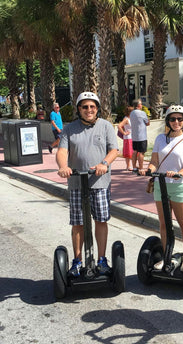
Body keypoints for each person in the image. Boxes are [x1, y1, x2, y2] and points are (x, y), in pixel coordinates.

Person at [56, 92, 119, 277]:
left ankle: (101, 260)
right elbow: (62, 151)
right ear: (79, 109)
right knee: (78, 223)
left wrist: (104, 164)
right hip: (76, 182)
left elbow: (114, 150)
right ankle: (77, 261)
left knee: (101, 220)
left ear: (97, 108)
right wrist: (63, 166)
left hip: (100, 182)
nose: (89, 110)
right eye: (85, 107)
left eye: (92, 107)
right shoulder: (69, 129)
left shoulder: (106, 126)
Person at [140, 104, 183, 272]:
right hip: (160, 185)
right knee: (164, 224)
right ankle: (166, 256)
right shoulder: (159, 139)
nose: (176, 122)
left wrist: (178, 173)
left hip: (179, 187)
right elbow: (155, 163)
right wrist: (148, 170)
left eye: (179, 119)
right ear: (168, 121)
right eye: (172, 119)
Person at [129, 99, 150, 170]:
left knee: (135, 151)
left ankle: (134, 167)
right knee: (141, 152)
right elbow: (147, 123)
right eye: (141, 104)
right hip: (142, 136)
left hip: (134, 136)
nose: (142, 105)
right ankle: (141, 167)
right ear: (138, 105)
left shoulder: (131, 113)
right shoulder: (142, 113)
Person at [117, 106, 134, 171]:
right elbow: (119, 126)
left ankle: (132, 165)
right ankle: (128, 165)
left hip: (132, 137)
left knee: (133, 152)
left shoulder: (131, 118)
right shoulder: (126, 119)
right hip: (128, 137)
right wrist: (124, 133)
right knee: (128, 152)